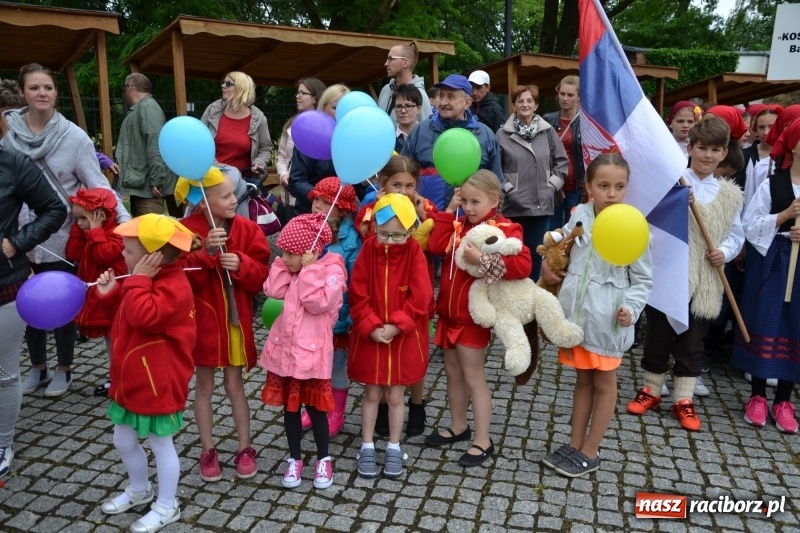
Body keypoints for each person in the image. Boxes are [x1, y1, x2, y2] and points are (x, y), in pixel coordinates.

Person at [2, 63, 129, 398]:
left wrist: (128, 224)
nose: (42, 94)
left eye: (48, 88)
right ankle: (37, 367)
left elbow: (98, 184)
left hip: (62, 238)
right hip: (20, 237)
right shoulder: (8, 134)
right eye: (34, 88)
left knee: (61, 303)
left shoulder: (73, 137)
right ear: (22, 93)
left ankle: (64, 369)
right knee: (25, 304)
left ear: (56, 93)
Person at [626, 117, 744, 432]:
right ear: (689, 148)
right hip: (670, 273)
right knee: (659, 335)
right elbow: (650, 219)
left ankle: (683, 399)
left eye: (715, 150)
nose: (707, 155)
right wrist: (678, 201)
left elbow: (736, 234)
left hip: (704, 279)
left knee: (694, 340)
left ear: (724, 154)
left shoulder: (730, 195)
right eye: (702, 147)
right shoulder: (674, 184)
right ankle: (651, 389)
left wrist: (726, 252)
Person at [541, 154, 653, 477]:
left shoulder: (633, 225)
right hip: (578, 317)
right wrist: (548, 265)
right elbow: (559, 246)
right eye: (603, 185)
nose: (611, 193)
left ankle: (591, 449)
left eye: (619, 186)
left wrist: (630, 309)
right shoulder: (580, 215)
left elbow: (642, 279)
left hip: (608, 319)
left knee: (605, 382)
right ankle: (575, 444)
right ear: (589, 186)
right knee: (583, 379)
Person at [93, 214, 201, 533]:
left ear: (151, 256)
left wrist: (135, 281)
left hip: (158, 383)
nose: (122, 256)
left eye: (128, 251)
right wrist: (111, 292)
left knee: (160, 443)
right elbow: (126, 310)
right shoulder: (143, 278)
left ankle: (167, 505)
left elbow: (144, 317)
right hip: (132, 380)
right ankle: (140, 488)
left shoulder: (174, 286)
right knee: (123, 439)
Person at [426, 170, 532, 466]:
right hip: (448, 314)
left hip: (472, 318)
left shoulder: (504, 228)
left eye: (476, 201)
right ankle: (459, 426)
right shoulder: (459, 225)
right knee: (452, 373)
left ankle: (483, 440)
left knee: (474, 377)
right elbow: (435, 247)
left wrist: (482, 259)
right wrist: (449, 210)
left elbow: (522, 264)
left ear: (495, 201)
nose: (469, 207)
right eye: (466, 200)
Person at [177, 168, 270, 482]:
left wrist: (242, 264)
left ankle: (245, 447)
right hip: (203, 324)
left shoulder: (246, 229)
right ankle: (208, 449)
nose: (235, 199)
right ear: (203, 202)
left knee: (235, 386)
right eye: (227, 195)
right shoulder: (185, 231)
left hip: (234, 325)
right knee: (204, 387)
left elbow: (262, 275)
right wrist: (206, 252)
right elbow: (180, 277)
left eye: (234, 193)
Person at [0, 112, 66, 478]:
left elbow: (55, 208)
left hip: (5, 285)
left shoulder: (13, 163)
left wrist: (17, 243)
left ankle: (2, 443)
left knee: (5, 372)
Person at [349, 193, 433, 479]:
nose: (389, 242)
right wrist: (370, 325)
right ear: (374, 229)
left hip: (402, 337)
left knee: (396, 395)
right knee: (372, 393)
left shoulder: (413, 252)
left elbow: (421, 296)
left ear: (410, 231)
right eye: (384, 234)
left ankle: (394, 447)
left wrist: (398, 324)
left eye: (398, 236)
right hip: (372, 335)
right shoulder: (369, 250)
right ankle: (368, 444)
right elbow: (357, 291)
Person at [260, 213, 346, 490]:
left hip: (312, 355)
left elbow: (317, 302)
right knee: (290, 408)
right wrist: (282, 264)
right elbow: (273, 290)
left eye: (288, 253)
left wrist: (309, 271)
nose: (283, 257)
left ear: (310, 253)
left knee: (316, 409)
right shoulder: (290, 267)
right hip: (287, 354)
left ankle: (324, 458)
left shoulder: (332, 271)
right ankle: (295, 458)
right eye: (281, 252)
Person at [355, 155, 436, 437]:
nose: (403, 191)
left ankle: (415, 405)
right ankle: (383, 411)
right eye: (396, 184)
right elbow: (369, 242)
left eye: (409, 185)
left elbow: (436, 239)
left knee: (413, 353)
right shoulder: (373, 211)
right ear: (383, 184)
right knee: (383, 360)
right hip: (380, 289)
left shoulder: (424, 208)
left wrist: (425, 219)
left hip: (413, 291)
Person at [732, 119, 800, 434]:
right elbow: (750, 222)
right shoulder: (773, 183)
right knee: (766, 320)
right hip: (773, 259)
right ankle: (758, 395)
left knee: (795, 325)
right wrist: (783, 217)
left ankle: (784, 400)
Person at [299, 177, 360, 438]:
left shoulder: (349, 241)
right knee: (313, 365)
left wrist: (347, 318)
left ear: (343, 208)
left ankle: (336, 410)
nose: (318, 207)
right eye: (316, 200)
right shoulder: (307, 228)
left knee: (336, 366)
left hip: (338, 318)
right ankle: (314, 407)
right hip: (311, 315)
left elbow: (354, 280)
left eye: (326, 202)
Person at [401, 74, 504, 212]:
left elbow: (497, 185)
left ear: (467, 102)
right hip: (426, 222)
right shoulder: (421, 131)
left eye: (451, 97)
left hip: (470, 226)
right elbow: (401, 173)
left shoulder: (486, 136)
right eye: (441, 96)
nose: (443, 102)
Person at [497, 84, 568, 280]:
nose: (525, 104)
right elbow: (497, 168)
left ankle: (532, 295)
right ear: (514, 105)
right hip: (512, 205)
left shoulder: (548, 132)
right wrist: (510, 189)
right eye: (520, 101)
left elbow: (562, 163)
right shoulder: (502, 134)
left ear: (536, 105)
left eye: (529, 100)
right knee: (513, 253)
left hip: (541, 204)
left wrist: (550, 187)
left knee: (537, 254)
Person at [64, 189, 127, 397]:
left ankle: (120, 378)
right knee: (111, 340)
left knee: (117, 339)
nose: (80, 223)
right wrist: (79, 232)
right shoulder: (86, 232)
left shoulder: (117, 234)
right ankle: (115, 376)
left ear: (101, 215)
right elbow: (73, 254)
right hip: (98, 295)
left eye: (83, 218)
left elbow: (104, 255)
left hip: (114, 296)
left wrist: (95, 232)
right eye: (77, 218)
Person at [116, 73, 178, 217]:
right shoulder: (142, 108)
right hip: (141, 186)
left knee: (150, 237)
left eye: (124, 88)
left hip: (150, 190)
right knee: (140, 235)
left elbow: (155, 145)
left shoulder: (148, 108)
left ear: (130, 87)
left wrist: (156, 179)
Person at [201, 71, 272, 194]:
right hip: (211, 179)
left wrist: (258, 163)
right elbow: (198, 141)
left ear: (241, 89)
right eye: (223, 83)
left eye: (228, 84)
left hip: (242, 184)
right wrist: (215, 166)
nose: (223, 86)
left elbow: (266, 148)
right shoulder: (213, 110)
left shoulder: (259, 118)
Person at [288, 84, 349, 214]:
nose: (342, 113)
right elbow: (296, 182)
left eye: (347, 109)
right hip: (311, 214)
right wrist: (324, 197)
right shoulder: (309, 138)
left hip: (345, 216)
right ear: (323, 108)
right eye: (336, 108)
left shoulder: (355, 140)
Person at [277, 78, 327, 212]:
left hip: (313, 201)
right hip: (288, 196)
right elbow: (281, 156)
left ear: (315, 98)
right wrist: (283, 174)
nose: (298, 96)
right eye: (297, 92)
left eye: (303, 93)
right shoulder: (290, 125)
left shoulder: (323, 128)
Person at [543, 75, 584, 229]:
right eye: (562, 94)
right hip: (552, 186)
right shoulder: (548, 120)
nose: (565, 98)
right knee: (552, 232)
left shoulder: (585, 123)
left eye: (570, 95)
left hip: (575, 188)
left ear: (578, 97)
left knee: (572, 231)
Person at [378, 42, 432, 123]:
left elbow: (426, 131)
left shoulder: (420, 95)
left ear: (405, 62)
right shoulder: (385, 90)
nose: (386, 64)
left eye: (391, 59)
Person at [393, 84, 422, 152]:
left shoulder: (428, 136)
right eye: (399, 106)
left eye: (408, 106)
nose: (403, 111)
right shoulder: (388, 138)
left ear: (419, 109)